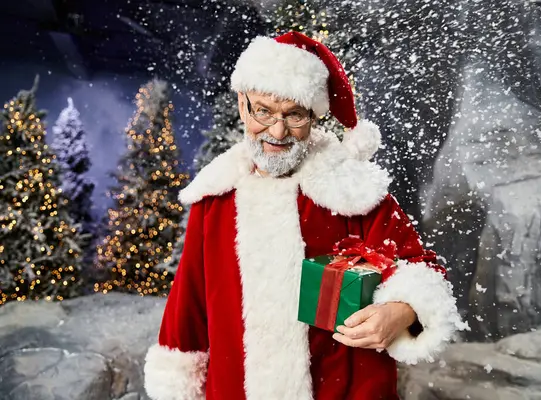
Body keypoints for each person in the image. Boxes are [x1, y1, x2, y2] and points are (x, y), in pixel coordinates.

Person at [144, 31, 468, 400]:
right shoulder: (214, 199)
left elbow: (422, 269)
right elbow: (189, 306)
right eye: (262, 111)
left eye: (294, 115)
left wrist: (402, 310)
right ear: (241, 103)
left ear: (313, 116)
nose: (277, 131)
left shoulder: (352, 191)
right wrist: (176, 384)